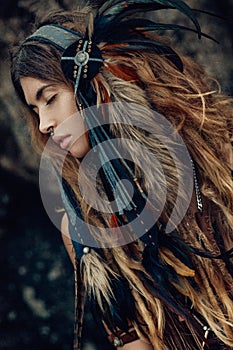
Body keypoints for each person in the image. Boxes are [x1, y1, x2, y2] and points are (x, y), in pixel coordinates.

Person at [10, 1, 233, 349]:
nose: (43, 124)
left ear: (92, 83)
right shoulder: (81, 223)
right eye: (34, 109)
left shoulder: (219, 156)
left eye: (50, 98)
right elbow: (129, 338)